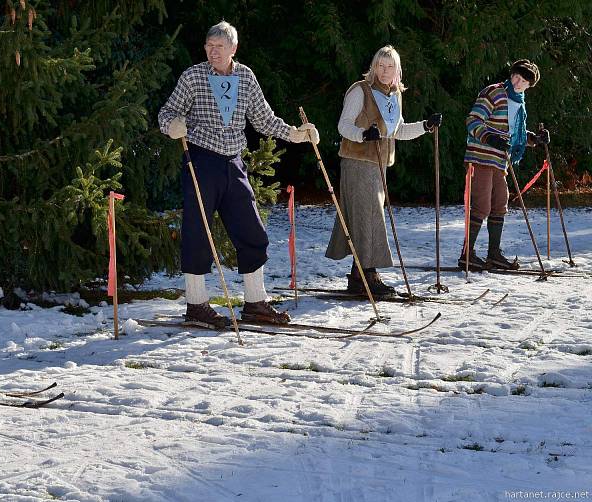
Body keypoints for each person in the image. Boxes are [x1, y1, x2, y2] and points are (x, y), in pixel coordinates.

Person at [158, 21, 319, 327]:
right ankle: (196, 305)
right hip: (201, 161)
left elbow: (264, 119)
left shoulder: (245, 76)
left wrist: (296, 134)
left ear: (233, 48)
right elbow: (167, 113)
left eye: (219, 47)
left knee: (252, 230)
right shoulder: (193, 76)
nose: (212, 52)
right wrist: (172, 126)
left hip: (234, 162)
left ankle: (256, 303)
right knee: (198, 230)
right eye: (209, 46)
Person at [326, 45, 441, 296]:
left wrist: (425, 126)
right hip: (358, 162)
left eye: (390, 66)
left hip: (379, 166)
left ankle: (359, 276)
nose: (385, 71)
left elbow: (396, 131)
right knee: (368, 218)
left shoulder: (394, 95)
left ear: (397, 70)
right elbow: (343, 126)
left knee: (366, 218)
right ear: (374, 67)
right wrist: (363, 134)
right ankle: (368, 275)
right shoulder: (361, 91)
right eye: (381, 65)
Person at [460, 59, 550, 270]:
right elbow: (473, 120)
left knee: (500, 203)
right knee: (481, 205)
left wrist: (535, 139)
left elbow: (513, 135)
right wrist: (489, 137)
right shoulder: (494, 92)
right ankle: (467, 255)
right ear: (511, 75)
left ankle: (494, 254)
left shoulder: (518, 102)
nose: (518, 83)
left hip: (500, 161)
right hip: (481, 157)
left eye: (524, 81)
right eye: (517, 77)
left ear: (529, 86)